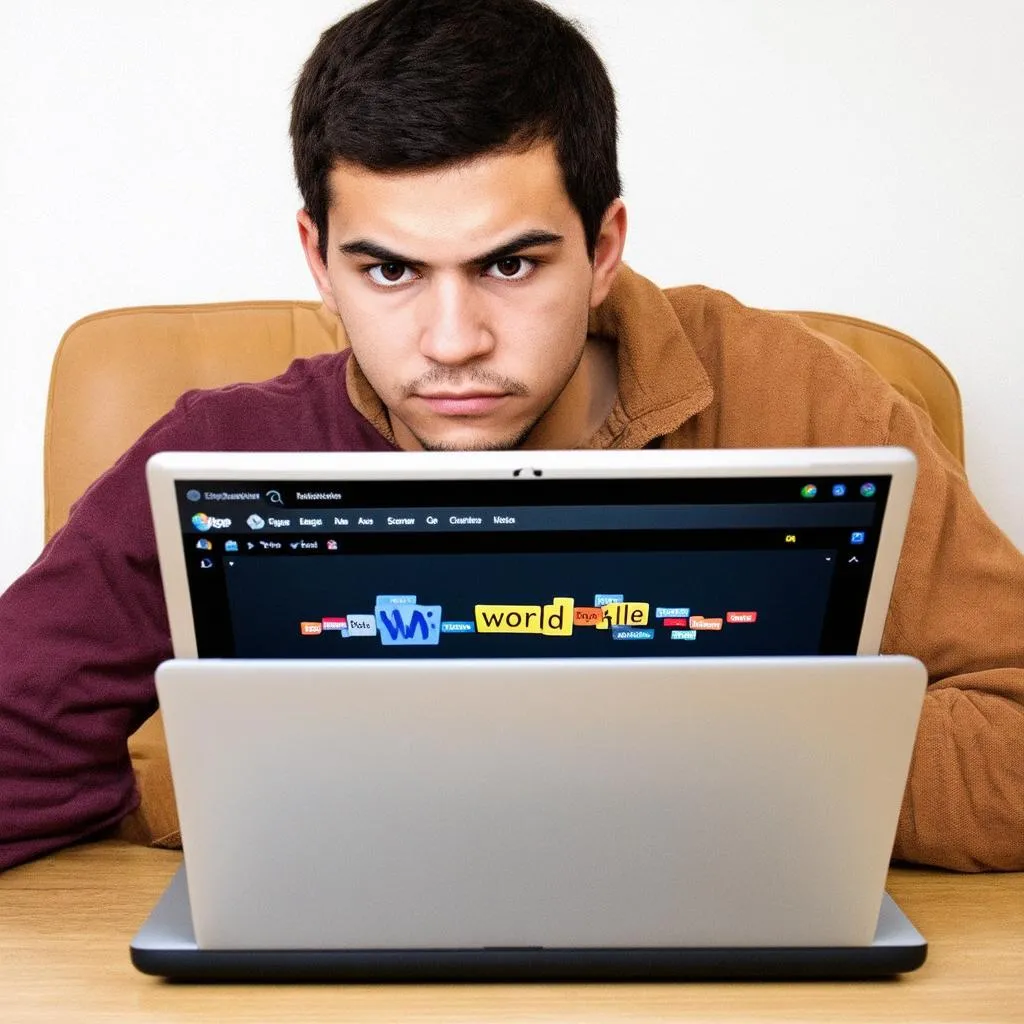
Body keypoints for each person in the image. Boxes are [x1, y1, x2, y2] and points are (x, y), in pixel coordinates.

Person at [0, 0, 1021, 874]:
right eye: (390, 271)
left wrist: (556, 757)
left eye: (511, 266)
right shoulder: (225, 452)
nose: (453, 343)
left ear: (603, 246)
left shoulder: (793, 392)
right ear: (319, 260)